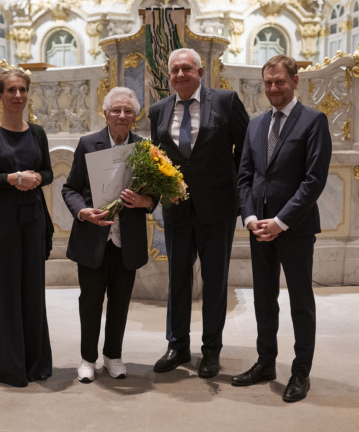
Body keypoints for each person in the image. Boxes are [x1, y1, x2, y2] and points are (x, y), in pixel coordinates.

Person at [234, 55, 332, 402]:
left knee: (300, 302)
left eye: (280, 81)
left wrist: (281, 221)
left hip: (296, 228)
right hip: (258, 227)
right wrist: (249, 218)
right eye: (268, 83)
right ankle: (265, 362)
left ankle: (301, 372)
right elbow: (245, 176)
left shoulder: (313, 121)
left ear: (294, 81)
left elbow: (313, 180)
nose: (274, 88)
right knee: (263, 299)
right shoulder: (256, 124)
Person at [149, 48, 249, 378]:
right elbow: (157, 158)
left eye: (186, 69)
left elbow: (246, 150)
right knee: (178, 281)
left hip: (217, 208)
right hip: (177, 209)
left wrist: (231, 188)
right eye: (175, 70)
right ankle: (177, 346)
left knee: (215, 281)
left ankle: (211, 350)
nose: (180, 75)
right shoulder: (158, 110)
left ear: (200, 71)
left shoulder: (225, 101)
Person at [62, 87, 156, 383]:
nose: (122, 116)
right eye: (116, 110)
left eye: (128, 111)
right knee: (90, 301)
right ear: (105, 113)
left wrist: (147, 202)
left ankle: (113, 356)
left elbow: (154, 193)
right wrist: (83, 212)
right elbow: (70, 188)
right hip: (93, 238)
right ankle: (88, 358)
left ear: (135, 115)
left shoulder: (145, 148)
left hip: (125, 241)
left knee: (120, 301)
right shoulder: (88, 143)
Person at [0, 69, 53, 387]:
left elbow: (47, 172)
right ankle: (5, 367)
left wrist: (35, 178)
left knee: (32, 294)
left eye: (22, 89)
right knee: (2, 294)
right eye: (11, 90)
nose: (18, 95)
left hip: (31, 221)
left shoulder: (38, 133)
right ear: (0, 95)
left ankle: (34, 364)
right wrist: (13, 178)